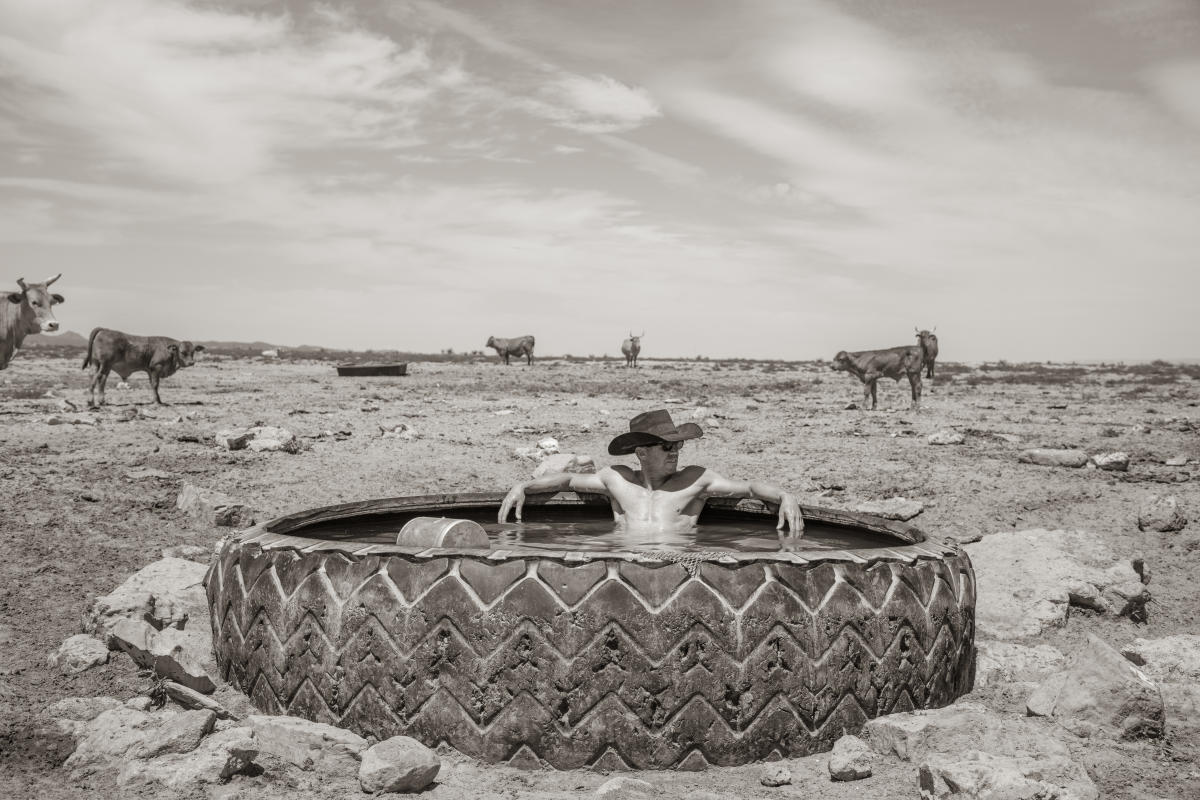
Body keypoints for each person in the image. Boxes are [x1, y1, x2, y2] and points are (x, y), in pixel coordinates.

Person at [498, 409, 803, 536]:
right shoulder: (616, 479)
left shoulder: (695, 480)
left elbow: (748, 488)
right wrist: (523, 487)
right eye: (666, 447)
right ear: (642, 453)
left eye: (678, 446)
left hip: (679, 561)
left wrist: (784, 495)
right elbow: (567, 479)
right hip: (621, 561)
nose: (676, 453)